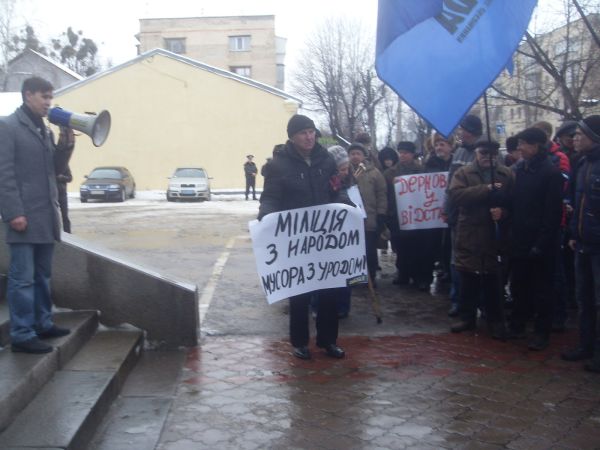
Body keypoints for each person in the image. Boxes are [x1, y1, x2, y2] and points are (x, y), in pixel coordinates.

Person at [258, 114, 345, 360]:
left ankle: (328, 341)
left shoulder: (326, 160)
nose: (309, 137)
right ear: (292, 137)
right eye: (303, 133)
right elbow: (271, 198)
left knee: (330, 291)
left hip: (325, 237)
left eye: (311, 132)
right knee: (300, 295)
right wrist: (266, 216)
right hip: (296, 241)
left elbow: (337, 190)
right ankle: (299, 342)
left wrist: (346, 207)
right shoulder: (278, 165)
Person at [0, 76, 75, 354]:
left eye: (50, 97)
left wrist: (66, 142)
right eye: (44, 97)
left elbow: (54, 169)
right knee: (22, 279)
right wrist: (13, 212)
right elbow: (4, 174)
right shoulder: (7, 126)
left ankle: (43, 323)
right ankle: (21, 333)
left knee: (42, 275)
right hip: (23, 217)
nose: (48, 103)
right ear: (28, 95)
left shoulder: (43, 129)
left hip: (44, 216)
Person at [448, 141, 513, 339]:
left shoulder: (507, 174)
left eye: (492, 153)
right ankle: (467, 318)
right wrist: (485, 189)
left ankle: (495, 320)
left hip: (495, 234)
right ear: (476, 153)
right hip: (470, 232)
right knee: (469, 278)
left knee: (494, 280)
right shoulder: (463, 173)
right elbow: (455, 195)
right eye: (484, 153)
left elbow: (514, 200)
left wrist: (503, 212)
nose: (488, 157)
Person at [508, 127, 563, 351]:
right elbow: (513, 201)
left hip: (541, 244)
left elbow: (552, 214)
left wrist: (541, 244)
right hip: (519, 239)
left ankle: (542, 332)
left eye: (523, 143)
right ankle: (518, 324)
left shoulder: (551, 174)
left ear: (536, 146)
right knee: (519, 286)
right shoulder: (520, 170)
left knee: (542, 290)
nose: (519, 148)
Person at [562, 115, 600, 373]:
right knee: (584, 298)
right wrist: (574, 233)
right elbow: (579, 203)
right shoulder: (584, 163)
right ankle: (586, 345)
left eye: (580, 135)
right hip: (583, 242)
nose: (575, 139)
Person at [445, 114, 483, 317]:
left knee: (478, 260)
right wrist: (446, 207)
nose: (459, 132)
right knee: (456, 259)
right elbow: (449, 184)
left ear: (471, 131)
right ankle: (458, 299)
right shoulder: (458, 151)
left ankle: (479, 301)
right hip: (456, 214)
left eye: (462, 129)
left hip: (477, 217)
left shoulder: (485, 152)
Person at [383, 141, 430, 290]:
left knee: (419, 247)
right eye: (401, 152)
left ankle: (419, 277)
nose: (403, 155)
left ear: (412, 154)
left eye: (406, 153)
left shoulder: (421, 170)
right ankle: (403, 273)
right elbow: (386, 194)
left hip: (417, 215)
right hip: (397, 215)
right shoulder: (390, 173)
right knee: (400, 247)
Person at [347, 142, 387, 286]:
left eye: (358, 153)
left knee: (369, 250)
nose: (355, 156)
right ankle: (356, 276)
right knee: (353, 250)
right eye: (352, 154)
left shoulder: (374, 173)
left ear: (364, 156)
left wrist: (381, 213)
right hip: (351, 220)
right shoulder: (345, 173)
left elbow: (381, 194)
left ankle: (370, 276)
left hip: (369, 218)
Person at [56, 163, 73, 233]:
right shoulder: (49, 164)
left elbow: (70, 178)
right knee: (53, 216)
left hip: (62, 194)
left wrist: (62, 177)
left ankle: (68, 233)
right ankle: (55, 233)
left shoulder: (64, 165)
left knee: (65, 216)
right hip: (52, 195)